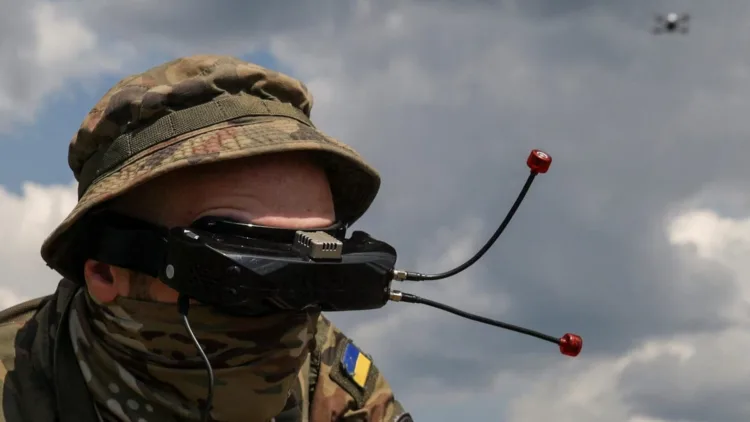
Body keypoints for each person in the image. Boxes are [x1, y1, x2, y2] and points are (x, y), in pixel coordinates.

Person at [0, 55, 412, 422]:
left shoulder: (333, 390)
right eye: (241, 273)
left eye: (317, 275)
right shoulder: (15, 389)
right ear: (106, 271)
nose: (290, 311)